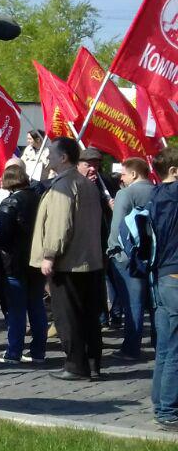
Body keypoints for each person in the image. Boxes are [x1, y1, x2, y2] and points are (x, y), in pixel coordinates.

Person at [31, 137, 105, 381]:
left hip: (69, 262)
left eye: (51, 153)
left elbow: (60, 225)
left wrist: (49, 255)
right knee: (88, 316)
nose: (47, 157)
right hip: (90, 260)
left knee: (68, 316)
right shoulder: (86, 184)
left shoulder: (63, 186)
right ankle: (93, 363)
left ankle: (75, 365)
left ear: (63, 158)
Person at [0, 164, 47, 364]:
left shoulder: (10, 202)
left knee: (16, 309)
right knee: (36, 305)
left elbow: (3, 235)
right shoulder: (39, 198)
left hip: (14, 261)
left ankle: (14, 351)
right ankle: (39, 350)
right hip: (37, 259)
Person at [106, 157, 155, 361]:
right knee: (152, 302)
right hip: (152, 254)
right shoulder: (157, 191)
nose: (122, 178)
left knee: (133, 302)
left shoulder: (125, 193)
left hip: (128, 255)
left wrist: (112, 251)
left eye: (124, 174)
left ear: (134, 174)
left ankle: (131, 347)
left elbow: (117, 226)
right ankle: (158, 341)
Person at [148, 145, 178, 431]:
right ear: (173, 171)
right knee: (175, 347)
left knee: (166, 346)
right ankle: (169, 410)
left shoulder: (153, 195)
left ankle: (160, 402)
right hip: (175, 276)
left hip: (159, 276)